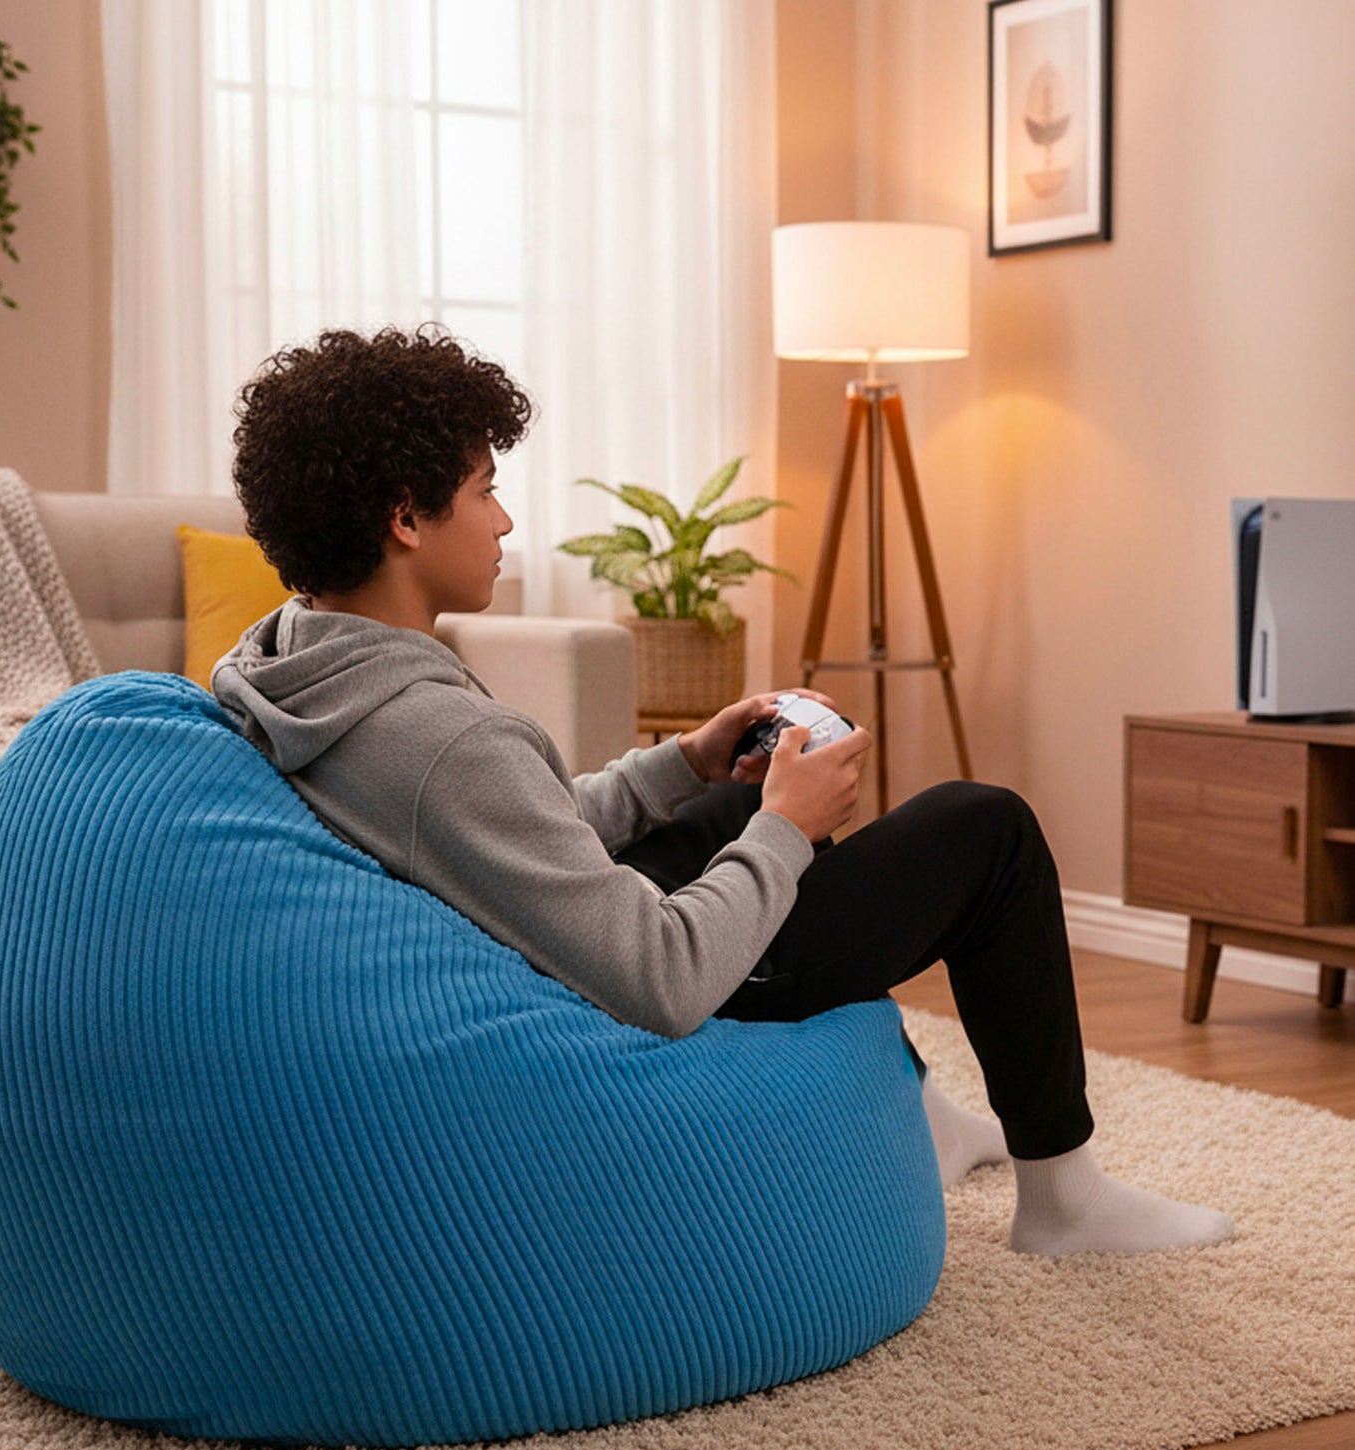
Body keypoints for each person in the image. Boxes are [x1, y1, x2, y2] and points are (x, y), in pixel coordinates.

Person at [213, 324, 1234, 1258]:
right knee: (987, 830)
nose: (506, 517)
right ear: (404, 518)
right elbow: (660, 977)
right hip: (618, 992)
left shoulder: (301, 661)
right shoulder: (438, 736)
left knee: (740, 802)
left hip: (522, 940)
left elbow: (513, 835)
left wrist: (690, 765)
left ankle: (922, 1119)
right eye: (484, 489)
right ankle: (1064, 1201)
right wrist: (788, 829)